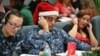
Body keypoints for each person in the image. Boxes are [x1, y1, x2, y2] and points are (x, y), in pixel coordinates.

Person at [24, 2, 91, 55]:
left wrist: (90, 48)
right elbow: (52, 51)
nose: (53, 23)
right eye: (50, 19)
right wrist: (46, 30)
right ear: (41, 19)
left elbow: (74, 42)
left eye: (55, 20)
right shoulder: (33, 34)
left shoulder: (58, 31)